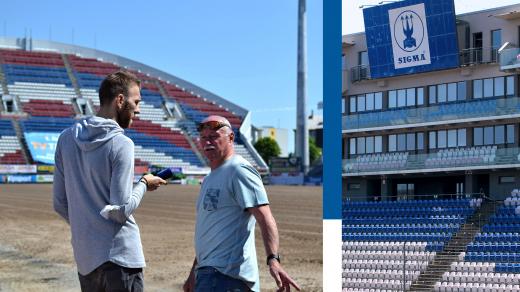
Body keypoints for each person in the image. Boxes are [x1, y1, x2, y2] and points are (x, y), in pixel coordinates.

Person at [53, 71, 167, 292]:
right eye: (136, 102)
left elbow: (59, 203)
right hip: (120, 259)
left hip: (86, 259)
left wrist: (89, 227)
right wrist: (144, 183)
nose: (139, 109)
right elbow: (120, 209)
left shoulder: (66, 139)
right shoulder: (121, 143)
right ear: (120, 100)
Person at [183, 115, 300, 292]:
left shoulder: (239, 170)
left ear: (231, 138)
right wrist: (194, 272)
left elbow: (265, 217)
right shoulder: (209, 179)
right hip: (208, 274)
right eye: (204, 138)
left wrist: (273, 259)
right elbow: (208, 232)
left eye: (214, 137)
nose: (208, 142)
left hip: (228, 277)